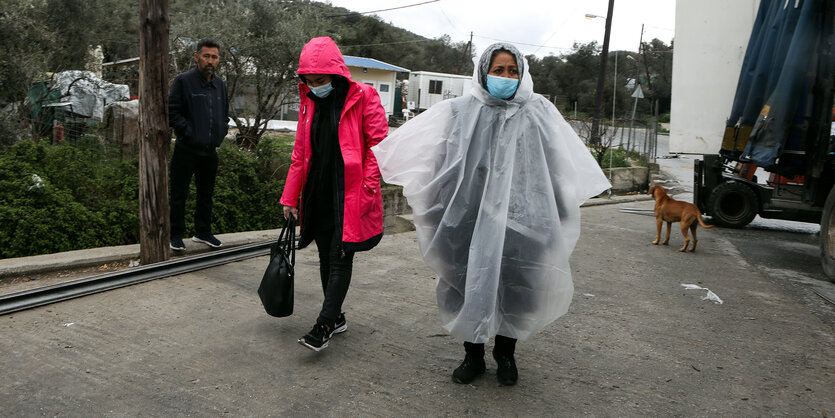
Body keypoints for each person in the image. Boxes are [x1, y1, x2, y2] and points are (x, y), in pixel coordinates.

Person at [372, 43, 610, 385]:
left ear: (523, 74)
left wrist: (555, 208)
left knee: (517, 286)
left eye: (512, 71)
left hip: (523, 220)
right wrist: (440, 205)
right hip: (468, 217)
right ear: (483, 73)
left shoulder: (538, 111)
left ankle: (506, 354)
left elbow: (556, 163)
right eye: (498, 71)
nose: (505, 78)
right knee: (469, 284)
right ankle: (473, 355)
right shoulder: (460, 111)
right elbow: (440, 159)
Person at [280, 37, 388, 352]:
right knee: (326, 254)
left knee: (341, 255)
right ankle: (337, 315)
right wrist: (290, 196)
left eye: (321, 80)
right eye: (309, 81)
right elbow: (300, 153)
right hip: (319, 190)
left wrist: (368, 186)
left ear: (337, 74)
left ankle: (324, 324)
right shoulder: (308, 101)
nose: (315, 86)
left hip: (351, 191)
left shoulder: (364, 97)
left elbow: (378, 147)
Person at [168, 38, 230, 251]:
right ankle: (175, 235)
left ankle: (202, 232)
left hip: (210, 151)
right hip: (186, 149)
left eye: (214, 57)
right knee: (179, 193)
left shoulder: (220, 84)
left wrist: (220, 133)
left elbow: (224, 115)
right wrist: (189, 134)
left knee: (206, 194)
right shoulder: (183, 81)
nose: (210, 60)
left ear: (218, 59)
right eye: (206, 56)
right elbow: (172, 112)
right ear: (197, 57)